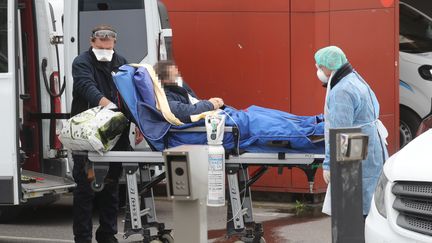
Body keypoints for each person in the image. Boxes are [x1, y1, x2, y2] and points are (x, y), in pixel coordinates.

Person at [71, 24, 129, 243]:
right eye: (101, 41)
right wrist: (109, 105)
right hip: (86, 134)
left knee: (111, 187)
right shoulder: (82, 62)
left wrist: (137, 124)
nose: (105, 45)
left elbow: (130, 94)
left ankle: (107, 235)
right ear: (92, 41)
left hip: (116, 133)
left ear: (115, 41)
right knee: (85, 190)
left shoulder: (122, 63)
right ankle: (83, 238)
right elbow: (86, 86)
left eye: (109, 41)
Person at [315, 46, 388, 217]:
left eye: (320, 66)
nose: (319, 71)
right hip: (368, 144)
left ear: (330, 66)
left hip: (357, 146)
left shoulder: (342, 90)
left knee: (353, 205)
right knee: (368, 200)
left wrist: (329, 164)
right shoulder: (353, 78)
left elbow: (340, 132)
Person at [153, 60, 224, 123]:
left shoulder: (179, 87)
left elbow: (194, 102)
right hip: (192, 126)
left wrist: (213, 103)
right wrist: (210, 104)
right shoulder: (165, 97)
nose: (179, 78)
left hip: (202, 115)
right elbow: (185, 112)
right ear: (164, 80)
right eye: (175, 75)